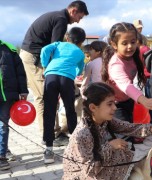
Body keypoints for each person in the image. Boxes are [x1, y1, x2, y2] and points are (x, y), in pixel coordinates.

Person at [19, 0, 88, 145]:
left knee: (51, 96)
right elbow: (53, 48)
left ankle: (56, 132)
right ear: (73, 11)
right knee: (43, 97)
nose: (77, 21)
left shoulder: (58, 17)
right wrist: (46, 68)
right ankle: (50, 135)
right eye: (79, 17)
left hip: (36, 54)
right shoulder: (61, 20)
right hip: (33, 56)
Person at [62, 82, 152, 179]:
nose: (115, 108)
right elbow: (89, 171)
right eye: (109, 104)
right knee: (120, 152)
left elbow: (128, 127)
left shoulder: (106, 121)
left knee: (151, 139)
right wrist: (110, 146)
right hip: (83, 176)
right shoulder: (83, 134)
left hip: (99, 166)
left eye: (114, 103)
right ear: (93, 107)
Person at [101, 23, 152, 132]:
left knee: (129, 133)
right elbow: (126, 86)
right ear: (114, 44)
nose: (130, 46)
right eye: (124, 43)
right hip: (114, 105)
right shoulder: (116, 64)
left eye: (133, 42)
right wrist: (144, 100)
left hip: (127, 100)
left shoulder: (135, 56)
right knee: (124, 137)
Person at [40, 27, 86, 164]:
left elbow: (44, 50)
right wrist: (74, 72)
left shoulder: (58, 44)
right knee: (70, 110)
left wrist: (45, 65)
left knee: (49, 112)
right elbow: (80, 68)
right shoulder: (80, 53)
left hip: (51, 76)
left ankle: (49, 150)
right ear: (81, 42)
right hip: (67, 80)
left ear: (67, 37)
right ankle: (75, 146)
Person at [0, 40, 28, 170]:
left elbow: (20, 73)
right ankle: (4, 149)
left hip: (7, 95)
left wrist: (23, 90)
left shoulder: (9, 49)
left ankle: (1, 156)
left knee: (3, 124)